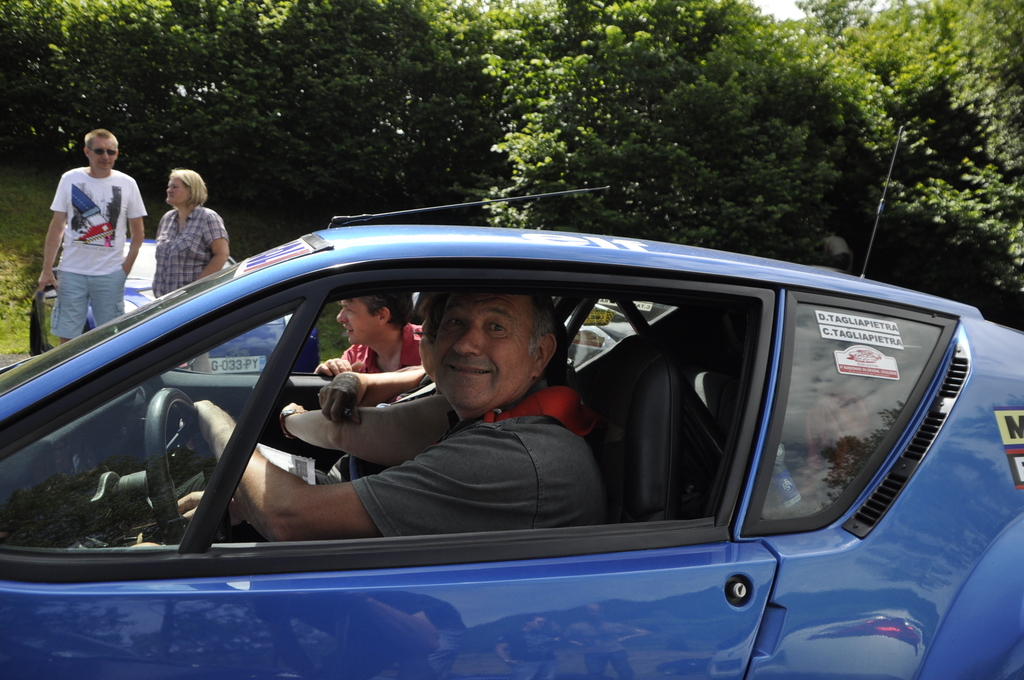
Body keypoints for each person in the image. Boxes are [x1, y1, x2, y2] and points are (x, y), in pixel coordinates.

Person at [180, 293, 606, 540]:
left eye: (497, 327)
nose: (465, 344)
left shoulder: (511, 455)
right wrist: (245, 501)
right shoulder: (497, 412)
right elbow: (385, 423)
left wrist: (218, 424)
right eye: (455, 322)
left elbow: (288, 517)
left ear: (540, 355)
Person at [38, 129, 147, 342]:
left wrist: (124, 270)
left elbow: (138, 233)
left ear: (117, 154)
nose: (105, 156)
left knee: (112, 337)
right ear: (87, 152)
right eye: (99, 151)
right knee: (67, 337)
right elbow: (57, 226)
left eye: (110, 151)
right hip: (72, 271)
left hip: (110, 273)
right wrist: (46, 269)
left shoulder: (127, 183)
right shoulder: (70, 178)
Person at [152, 168, 230, 297]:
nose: (169, 190)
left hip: (193, 301)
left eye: (174, 187)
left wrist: (196, 289)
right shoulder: (167, 218)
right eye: (169, 186)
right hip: (163, 301)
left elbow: (222, 254)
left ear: (191, 191)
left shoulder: (207, 217)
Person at [315, 293, 421, 376]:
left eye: (349, 310)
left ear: (382, 316)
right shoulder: (354, 356)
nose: (340, 318)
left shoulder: (429, 345)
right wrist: (326, 374)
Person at [566, 604, 649, 680]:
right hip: (592, 653)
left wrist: (623, 639)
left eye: (597, 611)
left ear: (601, 613)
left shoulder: (613, 626)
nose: (594, 614)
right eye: (591, 611)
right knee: (594, 675)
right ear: (585, 612)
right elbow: (564, 638)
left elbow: (644, 632)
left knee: (625, 673)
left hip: (615, 651)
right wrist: (578, 644)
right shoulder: (576, 627)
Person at [495, 615, 560, 680]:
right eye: (539, 622)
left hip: (548, 664)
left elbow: (562, 639)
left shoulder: (546, 634)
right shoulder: (515, 635)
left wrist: (558, 629)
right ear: (528, 622)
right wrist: (507, 660)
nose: (542, 624)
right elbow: (500, 648)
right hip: (525, 665)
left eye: (544, 623)